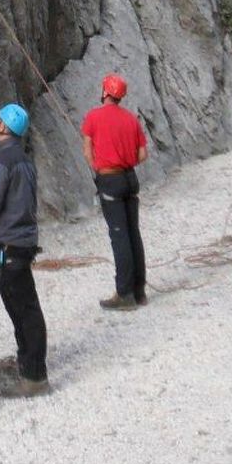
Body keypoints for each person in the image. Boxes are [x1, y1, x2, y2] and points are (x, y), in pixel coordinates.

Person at [0, 103, 49, 395]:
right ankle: (29, 367)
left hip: (12, 243)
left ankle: (34, 375)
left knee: (22, 306)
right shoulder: (24, 160)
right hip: (21, 240)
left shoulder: (2, 162)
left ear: (4, 127)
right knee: (21, 302)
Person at [81, 74, 148, 310]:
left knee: (119, 235)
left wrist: (102, 165)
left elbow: (88, 152)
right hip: (130, 178)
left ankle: (125, 294)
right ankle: (139, 291)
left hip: (110, 179)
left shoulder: (93, 117)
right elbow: (142, 155)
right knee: (133, 233)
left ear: (105, 92)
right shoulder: (131, 119)